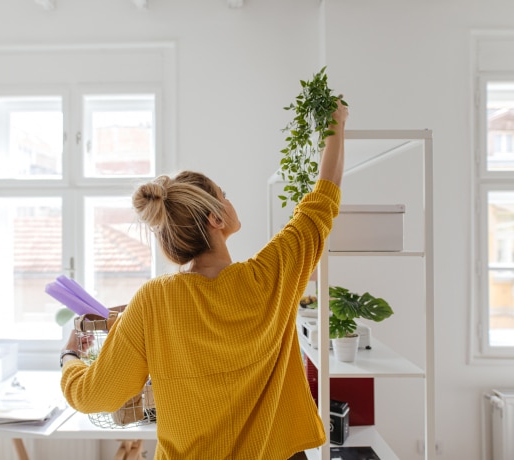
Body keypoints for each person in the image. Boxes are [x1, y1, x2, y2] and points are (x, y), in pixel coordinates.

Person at [60, 101, 348, 459]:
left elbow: (93, 397)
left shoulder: (153, 300)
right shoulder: (271, 275)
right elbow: (323, 199)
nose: (230, 200)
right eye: (224, 196)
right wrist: (337, 122)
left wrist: (70, 355)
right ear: (215, 218)